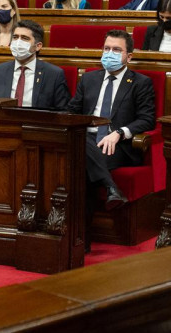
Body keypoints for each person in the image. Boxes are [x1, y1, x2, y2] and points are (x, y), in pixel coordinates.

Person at [67, 30, 157, 209]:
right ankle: (111, 188)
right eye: (106, 48)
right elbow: (72, 111)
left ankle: (76, 228)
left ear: (129, 57)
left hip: (117, 145)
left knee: (79, 161)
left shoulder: (140, 83)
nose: (109, 53)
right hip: (86, 138)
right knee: (82, 140)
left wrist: (119, 133)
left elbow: (147, 120)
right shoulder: (89, 79)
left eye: (116, 50)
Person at [0, 19, 69, 109]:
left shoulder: (54, 74)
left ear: (38, 46)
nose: (18, 42)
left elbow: (62, 111)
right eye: (15, 37)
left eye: (25, 38)